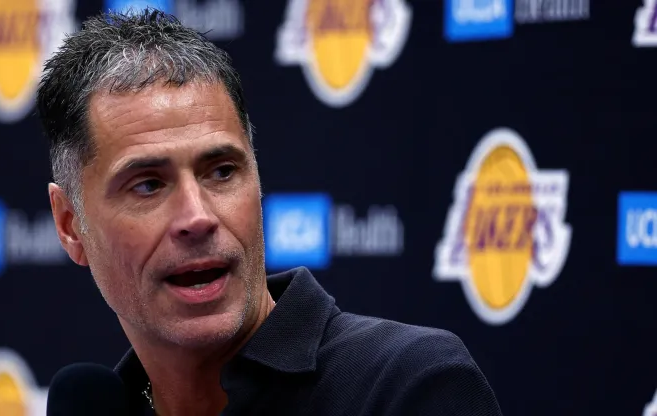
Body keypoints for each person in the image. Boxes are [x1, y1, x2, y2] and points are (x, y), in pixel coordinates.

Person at [37, 8, 503, 416]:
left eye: (221, 172)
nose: (197, 217)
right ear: (70, 225)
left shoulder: (406, 384)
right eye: (148, 185)